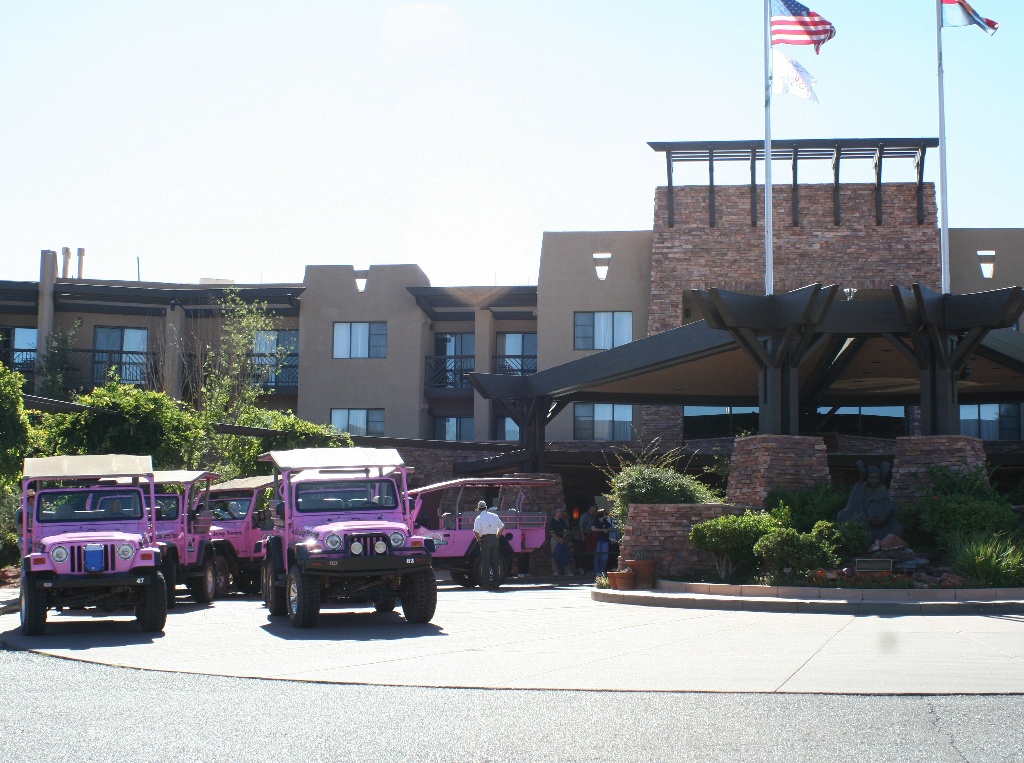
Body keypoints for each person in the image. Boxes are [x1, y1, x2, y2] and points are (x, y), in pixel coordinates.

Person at [473, 500, 505, 589]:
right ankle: (496, 583)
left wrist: (479, 540)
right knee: (495, 561)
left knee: (485, 562)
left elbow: (476, 532)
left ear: (479, 509)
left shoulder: (478, 518)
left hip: (485, 539)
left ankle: (485, 583)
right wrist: (497, 536)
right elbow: (502, 527)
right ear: (486, 507)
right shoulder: (494, 516)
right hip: (494, 539)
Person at [547, 508, 573, 577]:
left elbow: (564, 531)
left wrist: (562, 538)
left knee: (565, 554)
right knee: (554, 555)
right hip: (555, 539)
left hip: (562, 539)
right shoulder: (552, 522)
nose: (561, 513)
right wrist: (558, 539)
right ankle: (555, 571)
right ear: (555, 513)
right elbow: (552, 532)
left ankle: (567, 571)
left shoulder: (563, 521)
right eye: (560, 512)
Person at [592, 510, 613, 576]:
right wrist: (602, 530)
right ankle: (597, 571)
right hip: (597, 540)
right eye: (604, 514)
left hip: (605, 540)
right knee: (597, 556)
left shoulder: (605, 521)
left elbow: (610, 528)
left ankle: (602, 570)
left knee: (605, 556)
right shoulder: (596, 521)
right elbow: (593, 528)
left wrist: (608, 530)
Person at [578, 504, 598, 573]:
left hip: (593, 536)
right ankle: (582, 568)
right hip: (586, 535)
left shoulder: (594, 517)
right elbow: (581, 527)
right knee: (585, 552)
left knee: (591, 552)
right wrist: (582, 536)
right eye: (595, 507)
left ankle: (590, 568)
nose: (596, 509)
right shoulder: (584, 516)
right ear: (591, 508)